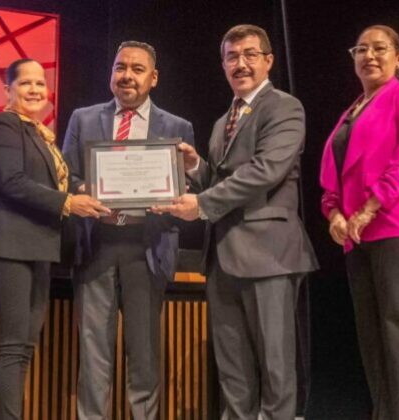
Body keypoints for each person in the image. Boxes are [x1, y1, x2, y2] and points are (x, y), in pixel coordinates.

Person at [154, 24, 318, 418]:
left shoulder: (285, 107)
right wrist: (196, 167)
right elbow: (223, 179)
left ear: (268, 61)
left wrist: (202, 204)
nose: (240, 64)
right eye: (231, 57)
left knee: (275, 370)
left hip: (269, 255)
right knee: (233, 372)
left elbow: (265, 171)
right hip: (222, 257)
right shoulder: (222, 121)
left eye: (249, 54)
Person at [62, 41, 194, 419]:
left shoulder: (178, 127)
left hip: (147, 247)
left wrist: (173, 194)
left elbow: (190, 188)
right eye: (120, 67)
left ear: (154, 78)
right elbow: (65, 175)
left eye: (137, 69)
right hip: (96, 244)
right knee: (93, 353)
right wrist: (86, 188)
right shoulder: (83, 118)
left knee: (144, 353)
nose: (127, 76)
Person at [318, 25, 399, 420]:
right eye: (361, 49)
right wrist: (334, 214)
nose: (369, 56)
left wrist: (368, 209)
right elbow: (332, 179)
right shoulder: (351, 111)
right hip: (359, 237)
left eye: (379, 49)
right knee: (373, 342)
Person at [0, 58, 108, 420]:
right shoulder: (4, 124)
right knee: (11, 346)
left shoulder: (40, 133)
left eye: (39, 83)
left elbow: (51, 184)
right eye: (25, 83)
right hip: (8, 248)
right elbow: (11, 182)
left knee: (24, 346)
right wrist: (68, 202)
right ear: (8, 90)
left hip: (39, 248)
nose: (34, 89)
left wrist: (86, 192)